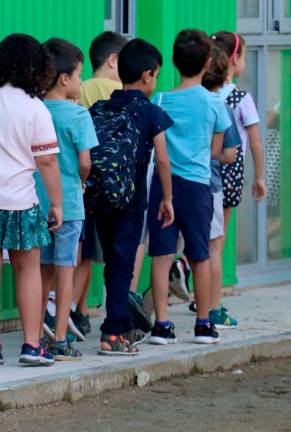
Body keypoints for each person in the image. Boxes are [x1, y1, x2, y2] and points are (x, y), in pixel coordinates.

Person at [0, 34, 63, 367]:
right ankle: (32, 345)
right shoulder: (35, 107)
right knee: (28, 269)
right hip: (21, 200)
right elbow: (46, 162)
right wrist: (57, 204)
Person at [89, 38, 174, 355]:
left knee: (113, 263)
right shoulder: (150, 112)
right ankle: (113, 333)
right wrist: (167, 198)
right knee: (123, 264)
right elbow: (163, 160)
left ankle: (119, 326)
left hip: (100, 198)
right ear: (149, 76)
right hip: (130, 201)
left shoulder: (100, 107)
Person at [149, 29, 231, 345]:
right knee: (200, 255)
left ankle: (162, 325)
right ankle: (203, 323)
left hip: (163, 186)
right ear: (208, 62)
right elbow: (216, 149)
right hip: (198, 187)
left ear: (172, 61)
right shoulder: (214, 103)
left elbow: (157, 149)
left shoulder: (159, 100)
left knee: (162, 255)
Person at [37, 38, 100, 360]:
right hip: (70, 204)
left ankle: (34, 338)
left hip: (36, 201)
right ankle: (60, 338)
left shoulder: (34, 109)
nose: (80, 82)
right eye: (78, 75)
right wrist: (82, 178)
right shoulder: (78, 116)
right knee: (65, 270)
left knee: (38, 272)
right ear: (64, 79)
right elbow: (86, 162)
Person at [206, 30, 267, 328]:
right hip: (229, 170)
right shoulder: (241, 98)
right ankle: (211, 303)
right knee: (217, 241)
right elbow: (255, 142)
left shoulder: (203, 94)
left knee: (203, 238)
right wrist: (261, 177)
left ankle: (199, 289)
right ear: (235, 59)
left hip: (201, 167)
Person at [73, 30, 128, 337]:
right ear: (113, 60)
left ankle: (78, 309)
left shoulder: (78, 88)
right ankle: (83, 310)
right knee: (97, 253)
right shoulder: (119, 90)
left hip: (82, 180)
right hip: (111, 183)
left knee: (80, 251)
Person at [202, 46, 241, 336]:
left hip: (175, 184)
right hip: (210, 183)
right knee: (212, 247)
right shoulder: (221, 106)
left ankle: (159, 318)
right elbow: (230, 154)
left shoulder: (170, 99)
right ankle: (211, 309)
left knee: (167, 252)